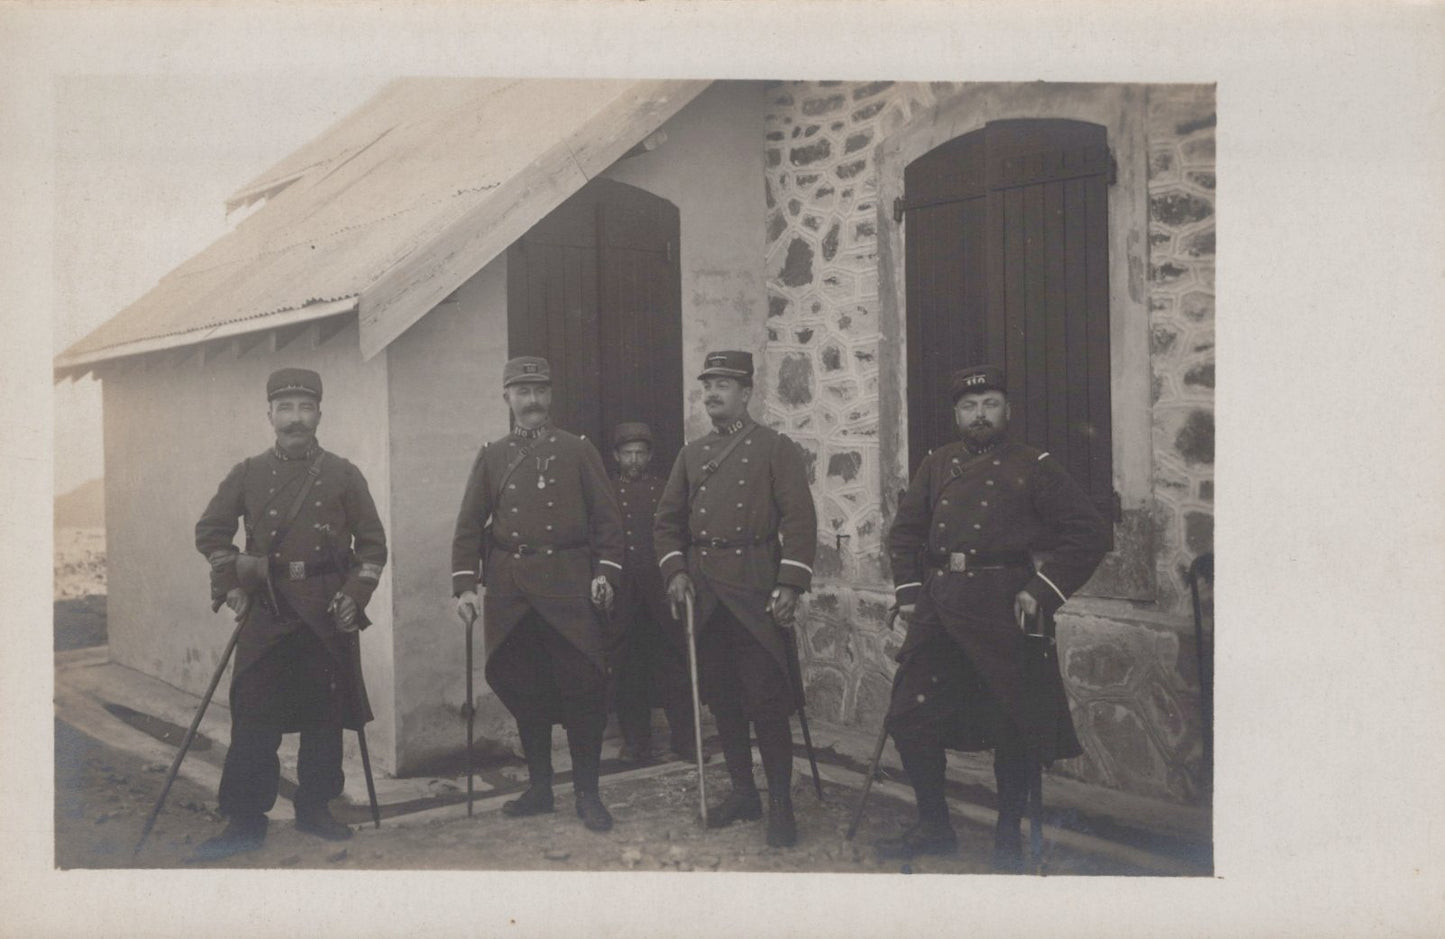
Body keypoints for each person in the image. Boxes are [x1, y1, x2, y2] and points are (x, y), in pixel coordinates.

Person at [878, 364, 1109, 870]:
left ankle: (1008, 834)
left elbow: (1089, 533)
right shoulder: (937, 464)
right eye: (968, 406)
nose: (979, 415)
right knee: (909, 719)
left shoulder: (1035, 465)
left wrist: (1042, 591)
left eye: (990, 405)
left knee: (1013, 729)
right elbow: (905, 534)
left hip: (1004, 610)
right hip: (939, 609)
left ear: (1008, 410)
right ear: (956, 414)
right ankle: (935, 826)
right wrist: (910, 592)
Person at [192, 367, 387, 861]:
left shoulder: (343, 473)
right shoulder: (248, 472)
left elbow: (372, 547)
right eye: (285, 408)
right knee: (254, 717)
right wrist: (231, 582)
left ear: (319, 413)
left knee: (323, 717)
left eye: (305, 408)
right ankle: (244, 819)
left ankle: (315, 808)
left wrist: (354, 595)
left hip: (324, 610)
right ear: (270, 415)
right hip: (268, 608)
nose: (295, 418)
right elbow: (211, 531)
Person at [451, 356, 625, 832]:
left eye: (540, 391)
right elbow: (469, 526)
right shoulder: (492, 456)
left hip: (569, 587)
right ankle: (540, 788)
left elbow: (609, 522)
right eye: (522, 392)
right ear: (507, 397)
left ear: (550, 396)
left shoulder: (578, 450)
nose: (532, 401)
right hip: (512, 590)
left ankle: (588, 793)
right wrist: (465, 585)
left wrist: (605, 573)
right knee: (526, 690)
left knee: (583, 691)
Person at [653, 350, 817, 847]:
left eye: (724, 384)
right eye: (708, 385)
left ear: (746, 393)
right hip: (706, 594)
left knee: (766, 703)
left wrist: (789, 584)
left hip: (755, 590)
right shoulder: (692, 454)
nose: (713, 393)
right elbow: (666, 523)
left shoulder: (774, 448)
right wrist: (676, 570)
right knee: (723, 700)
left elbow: (800, 521)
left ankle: (781, 805)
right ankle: (744, 793)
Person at [607, 421, 696, 766]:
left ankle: (685, 740)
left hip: (660, 595)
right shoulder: (606, 493)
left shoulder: (665, 491)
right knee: (629, 671)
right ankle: (636, 742)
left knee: (673, 666)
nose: (633, 460)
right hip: (625, 595)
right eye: (627, 453)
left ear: (650, 456)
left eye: (640, 453)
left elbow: (678, 534)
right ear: (616, 457)